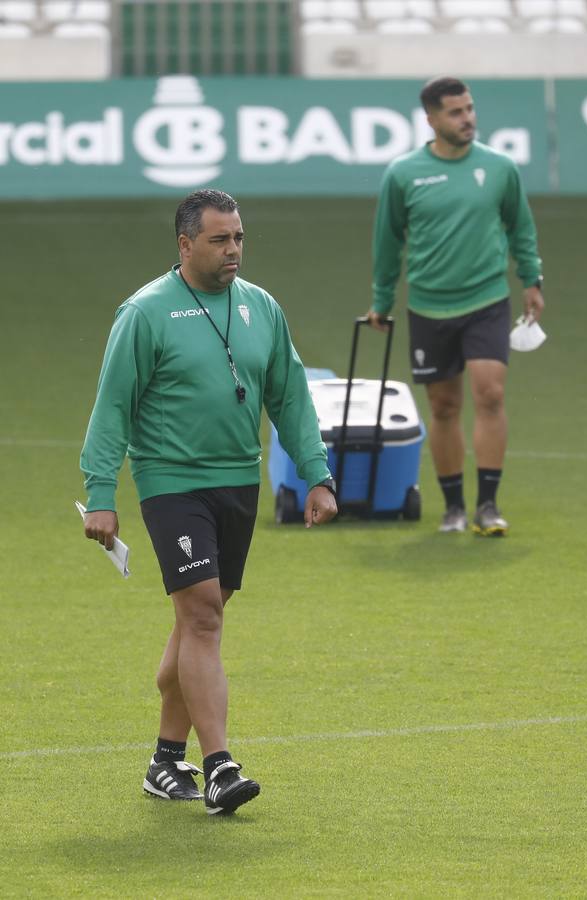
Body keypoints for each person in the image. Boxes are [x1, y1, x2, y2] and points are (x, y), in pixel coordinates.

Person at [80, 189, 337, 815]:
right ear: (185, 244)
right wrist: (101, 493)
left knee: (197, 624)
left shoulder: (261, 309)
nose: (234, 251)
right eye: (221, 240)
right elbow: (112, 406)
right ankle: (221, 767)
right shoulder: (144, 314)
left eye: (240, 238)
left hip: (237, 482)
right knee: (201, 619)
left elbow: (291, 396)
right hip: (171, 481)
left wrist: (317, 473)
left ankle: (165, 762)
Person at [366, 76, 544, 535]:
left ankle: (487, 505)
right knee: (443, 407)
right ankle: (453, 509)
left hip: (487, 299)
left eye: (469, 109)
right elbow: (388, 243)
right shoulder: (403, 174)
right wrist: (381, 302)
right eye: (455, 112)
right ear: (431, 118)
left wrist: (531, 279)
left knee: (491, 394)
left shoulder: (500, 167)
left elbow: (520, 226)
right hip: (428, 306)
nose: (468, 119)